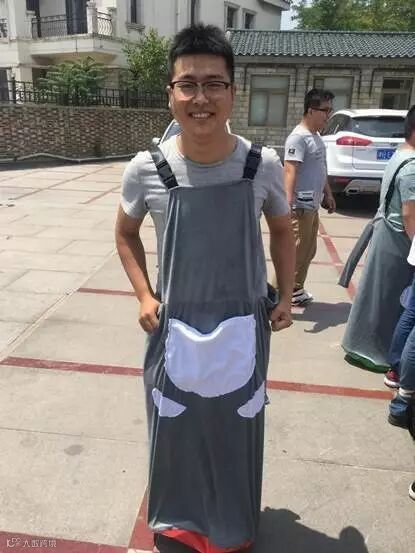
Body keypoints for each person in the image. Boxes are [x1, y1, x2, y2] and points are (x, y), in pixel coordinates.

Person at [115, 24, 295, 553]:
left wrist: (285, 295)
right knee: (175, 429)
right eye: (188, 84)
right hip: (172, 324)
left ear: (233, 92)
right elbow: (125, 234)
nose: (201, 98)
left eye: (214, 84)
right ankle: (180, 521)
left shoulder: (260, 165)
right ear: (170, 93)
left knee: (236, 430)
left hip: (245, 326)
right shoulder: (147, 169)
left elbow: (282, 229)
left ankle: (232, 525)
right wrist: (144, 295)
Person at [342, 105, 415, 372]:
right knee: (391, 302)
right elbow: (410, 215)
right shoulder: (412, 166)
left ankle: (362, 345)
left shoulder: (401, 154)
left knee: (376, 297)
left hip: (386, 235)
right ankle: (381, 354)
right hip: (398, 241)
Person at [283, 88, 336, 305]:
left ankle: (295, 289)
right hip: (300, 207)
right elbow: (290, 170)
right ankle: (277, 293)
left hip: (312, 206)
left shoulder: (316, 137)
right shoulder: (298, 138)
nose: (328, 115)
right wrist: (287, 204)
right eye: (325, 110)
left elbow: (320, 169)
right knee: (294, 252)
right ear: (311, 110)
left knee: (307, 251)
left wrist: (328, 194)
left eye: (330, 110)